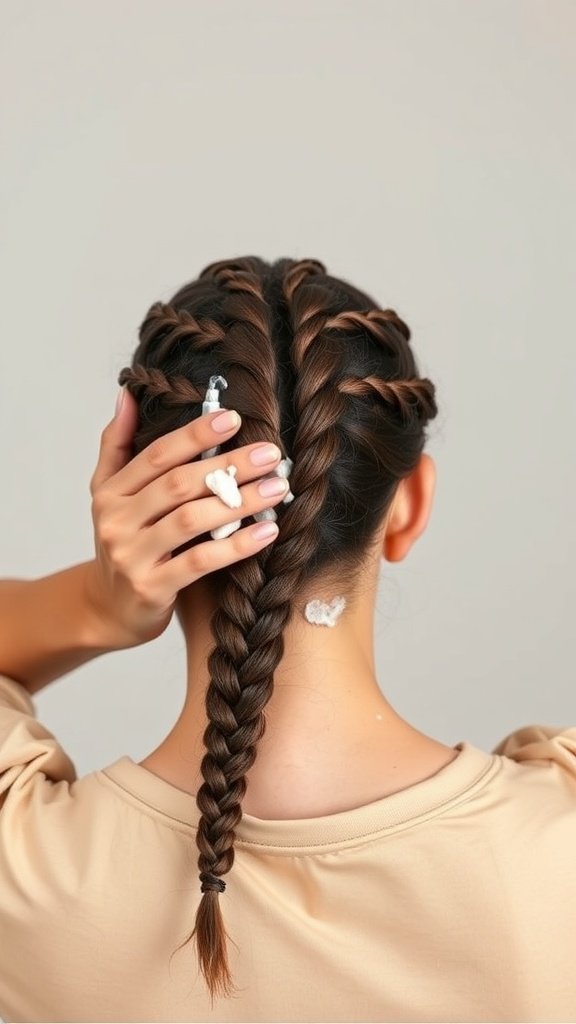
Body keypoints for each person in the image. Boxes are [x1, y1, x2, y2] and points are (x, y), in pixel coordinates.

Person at [0, 256, 574, 1024]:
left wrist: (100, 605)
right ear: (409, 506)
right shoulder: (557, 850)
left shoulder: (28, 873)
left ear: (143, 508)